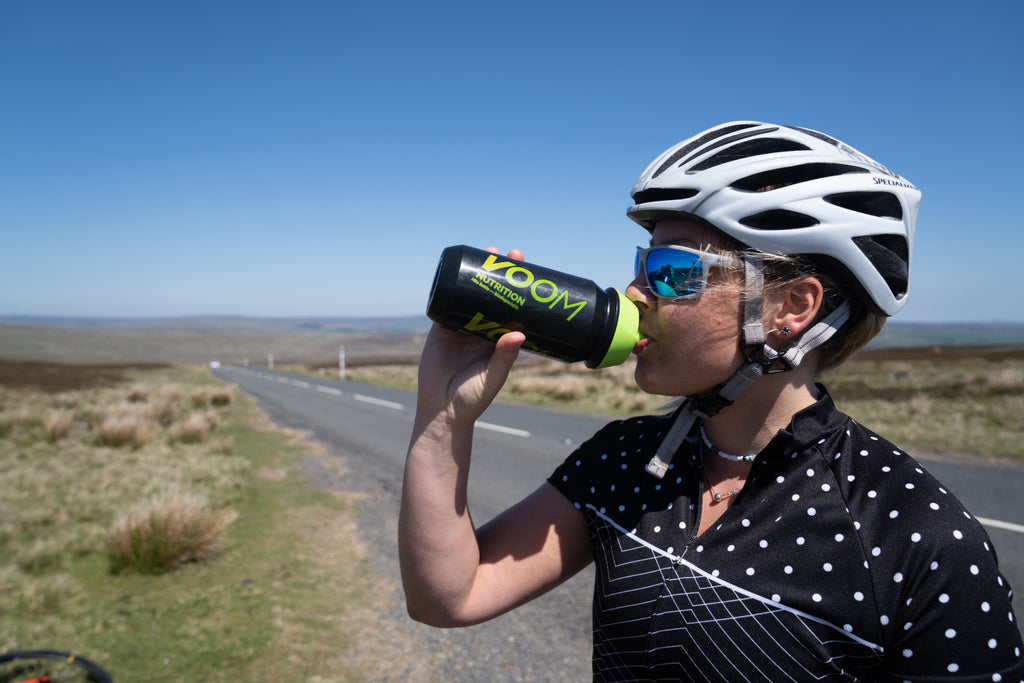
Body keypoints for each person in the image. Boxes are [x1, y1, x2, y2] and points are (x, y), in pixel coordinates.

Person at [398, 121, 1024, 680]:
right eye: (643, 263)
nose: (636, 292)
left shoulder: (917, 536)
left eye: (672, 270)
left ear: (791, 308)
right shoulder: (626, 460)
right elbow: (450, 598)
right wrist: (442, 417)